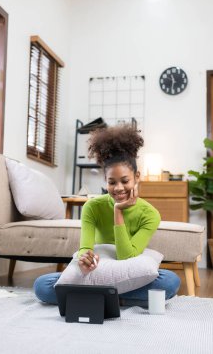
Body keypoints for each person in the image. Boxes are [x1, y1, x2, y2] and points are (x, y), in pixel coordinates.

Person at [34, 123, 180, 306]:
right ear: (105, 181)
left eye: (125, 181)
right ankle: (119, 298)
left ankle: (97, 297)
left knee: (170, 281)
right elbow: (86, 247)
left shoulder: (150, 214)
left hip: (129, 272)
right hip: (99, 272)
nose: (118, 188)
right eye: (112, 182)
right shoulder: (92, 207)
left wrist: (118, 211)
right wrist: (85, 257)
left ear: (137, 177)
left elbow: (126, 257)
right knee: (42, 285)